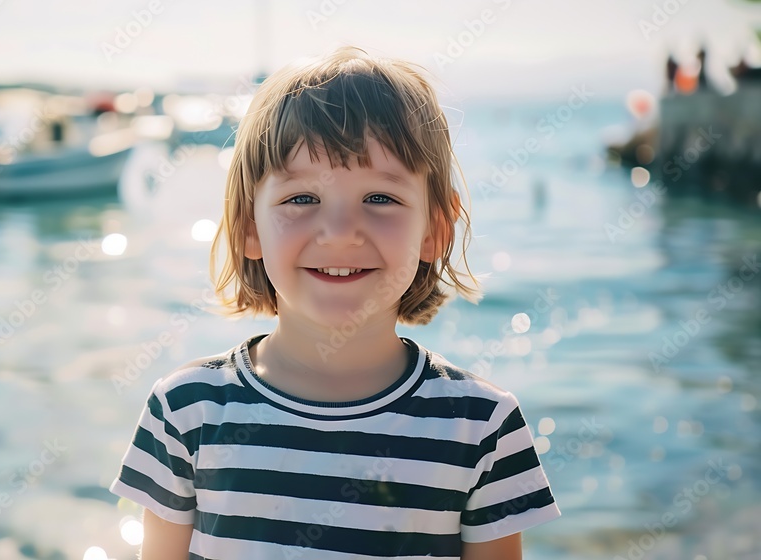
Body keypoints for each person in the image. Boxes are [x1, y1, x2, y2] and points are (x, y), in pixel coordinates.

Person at [109, 46, 561, 559]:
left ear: (435, 229)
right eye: (301, 199)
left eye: (380, 198)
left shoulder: (482, 427)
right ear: (247, 228)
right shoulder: (187, 412)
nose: (341, 232)